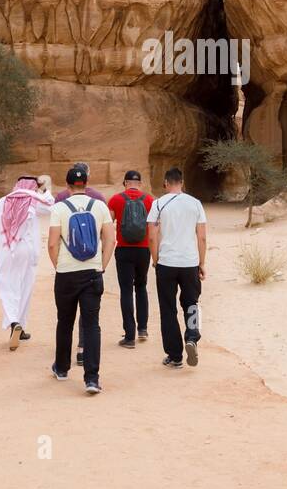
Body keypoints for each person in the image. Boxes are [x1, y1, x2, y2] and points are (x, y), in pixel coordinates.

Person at [47, 164, 114, 395]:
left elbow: (53, 243)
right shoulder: (100, 207)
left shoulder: (59, 208)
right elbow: (109, 240)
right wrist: (101, 266)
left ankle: (62, 368)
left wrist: (59, 266)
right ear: (86, 184)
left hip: (66, 273)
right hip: (92, 273)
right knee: (91, 324)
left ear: (67, 185)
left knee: (64, 321)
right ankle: (92, 379)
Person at [147, 167, 207, 369]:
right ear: (182, 182)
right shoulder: (195, 204)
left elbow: (152, 236)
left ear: (166, 183)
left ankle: (175, 356)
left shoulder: (158, 204)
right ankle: (191, 337)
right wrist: (202, 262)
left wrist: (156, 260)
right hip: (189, 262)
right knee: (192, 303)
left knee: (168, 309)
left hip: (166, 262)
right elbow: (202, 236)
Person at [0, 175, 54, 349]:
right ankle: (19, 327)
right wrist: (44, 189)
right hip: (27, 250)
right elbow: (51, 205)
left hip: (7, 249)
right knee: (25, 288)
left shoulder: (3, 200)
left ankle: (14, 322)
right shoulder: (34, 199)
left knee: (6, 287)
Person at [107, 170, 154, 347]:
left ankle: (129, 336)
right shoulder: (149, 200)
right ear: (140, 183)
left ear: (125, 183)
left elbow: (108, 225)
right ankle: (143, 329)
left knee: (126, 290)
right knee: (141, 287)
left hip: (124, 249)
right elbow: (155, 228)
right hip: (143, 250)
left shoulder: (116, 199)